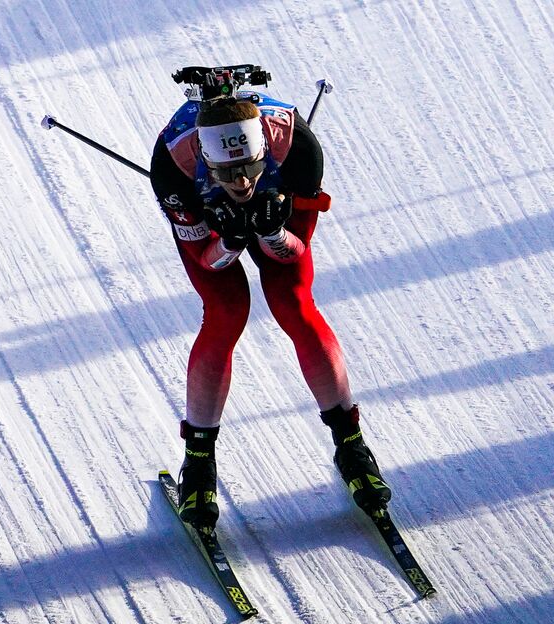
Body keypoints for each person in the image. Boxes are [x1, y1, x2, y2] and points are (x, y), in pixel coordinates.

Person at [149, 88, 392, 528]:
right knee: (226, 314)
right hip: (205, 222)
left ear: (266, 147)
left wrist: (271, 233)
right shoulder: (173, 165)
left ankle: (352, 443)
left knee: (293, 304)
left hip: (271, 213)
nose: (242, 182)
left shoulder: (298, 147)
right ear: (205, 160)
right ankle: (199, 463)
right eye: (227, 172)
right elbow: (207, 259)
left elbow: (294, 256)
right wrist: (229, 240)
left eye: (251, 167)